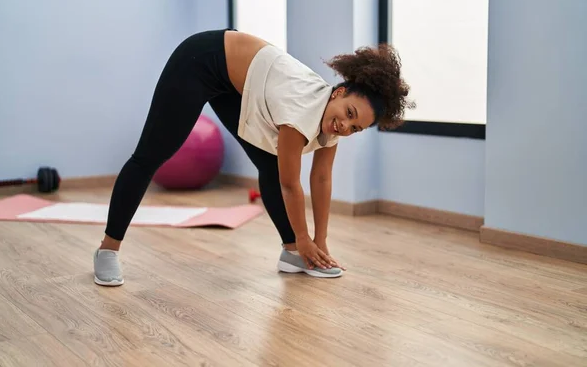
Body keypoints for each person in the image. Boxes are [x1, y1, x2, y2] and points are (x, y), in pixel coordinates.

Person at [93, 28, 412, 286]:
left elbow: (322, 178)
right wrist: (305, 237)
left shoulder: (333, 122)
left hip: (235, 85)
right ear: (339, 92)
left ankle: (291, 254)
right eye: (349, 114)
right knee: (151, 155)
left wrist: (320, 241)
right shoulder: (301, 113)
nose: (345, 126)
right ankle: (108, 250)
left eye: (355, 128)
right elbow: (291, 184)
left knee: (270, 165)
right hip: (201, 60)